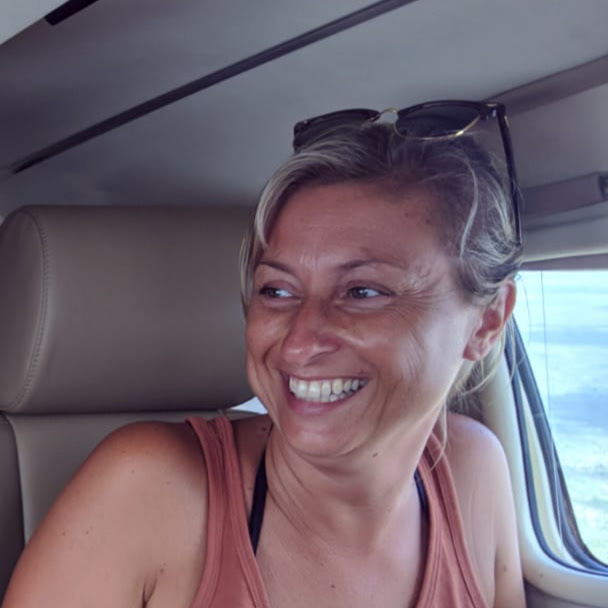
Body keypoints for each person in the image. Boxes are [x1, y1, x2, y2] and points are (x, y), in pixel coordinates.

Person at [2, 101, 526, 608]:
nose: (298, 342)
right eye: (277, 290)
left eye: (363, 292)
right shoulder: (150, 490)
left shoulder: (473, 472)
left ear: (486, 322)